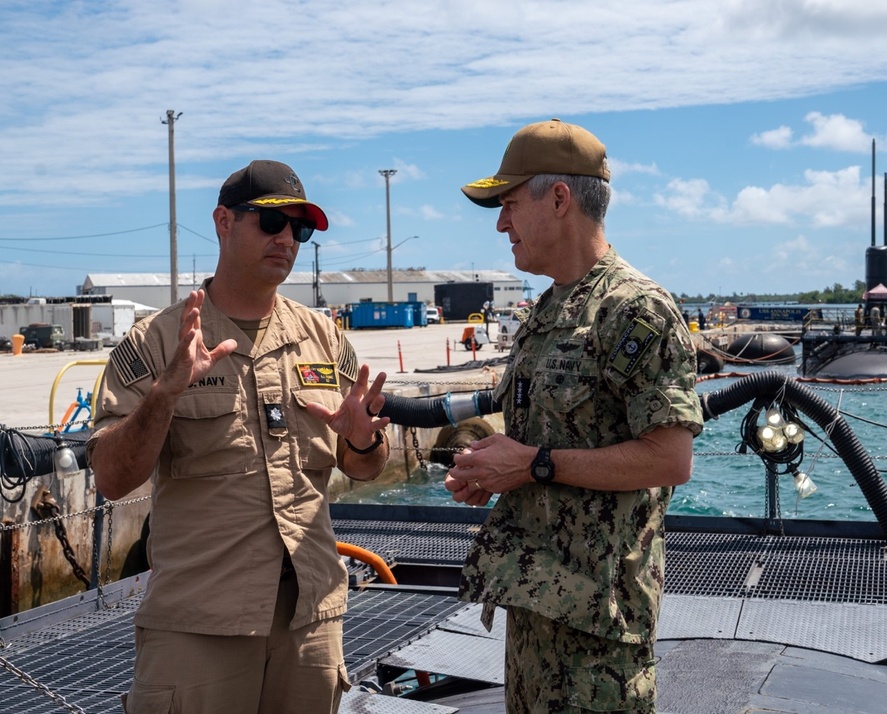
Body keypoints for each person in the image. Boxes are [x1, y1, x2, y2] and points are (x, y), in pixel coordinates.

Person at [87, 160, 391, 713]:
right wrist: (164, 396)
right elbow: (110, 477)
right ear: (223, 221)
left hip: (311, 616)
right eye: (271, 222)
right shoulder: (158, 341)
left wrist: (364, 442)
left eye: (299, 228)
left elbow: (364, 465)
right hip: (200, 624)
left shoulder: (323, 336)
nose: (287, 239)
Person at [447, 119, 704, 712]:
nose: (501, 223)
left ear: (559, 199)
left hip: (599, 635)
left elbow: (670, 458)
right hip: (537, 611)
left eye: (510, 204)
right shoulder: (549, 310)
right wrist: (493, 471)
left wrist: (532, 465)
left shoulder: (634, 310)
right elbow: (544, 447)